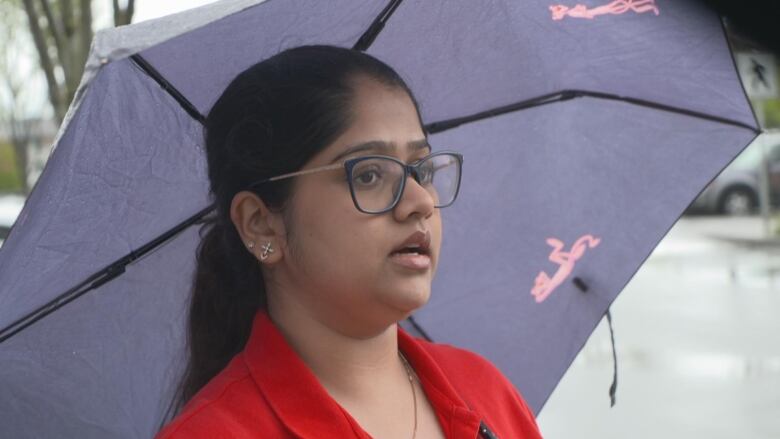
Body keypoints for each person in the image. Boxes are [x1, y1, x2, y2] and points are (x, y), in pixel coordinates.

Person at [155, 45, 542, 439]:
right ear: (261, 225)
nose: (421, 202)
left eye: (421, 169)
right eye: (369, 175)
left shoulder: (485, 391)